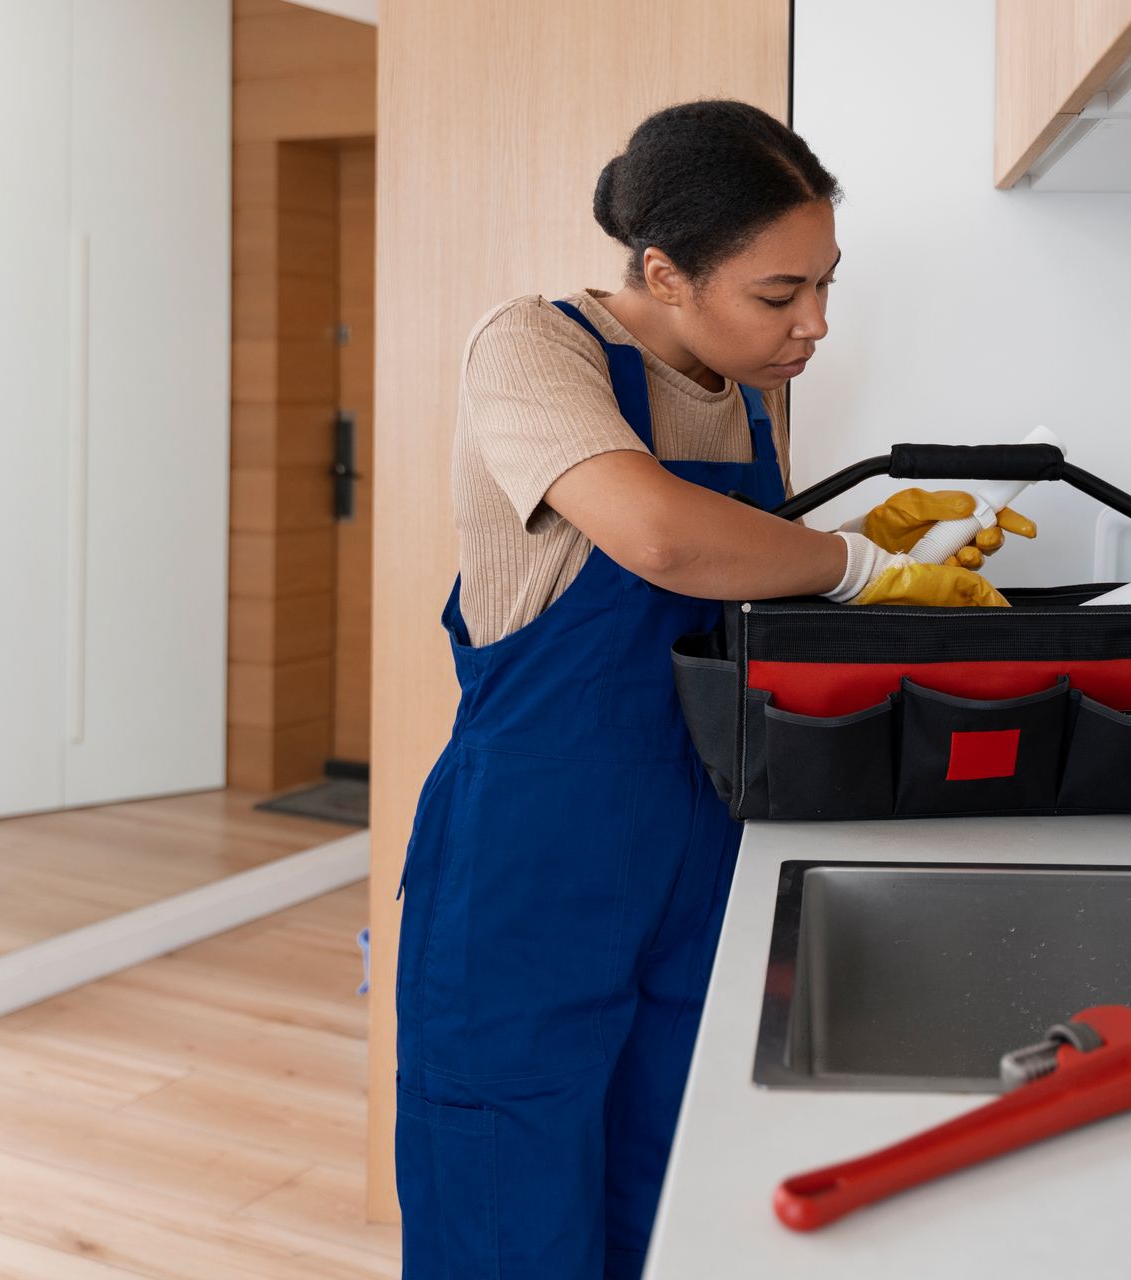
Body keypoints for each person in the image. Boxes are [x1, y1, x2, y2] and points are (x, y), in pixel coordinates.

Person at [391, 99, 1034, 1278]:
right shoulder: (538, 347)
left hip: (708, 840)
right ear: (664, 272)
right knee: (507, 1187)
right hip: (534, 852)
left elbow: (735, 583)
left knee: (668, 1179)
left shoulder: (741, 396)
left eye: (825, 286)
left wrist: (856, 538)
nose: (816, 325)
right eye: (779, 296)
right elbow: (659, 536)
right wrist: (864, 568)